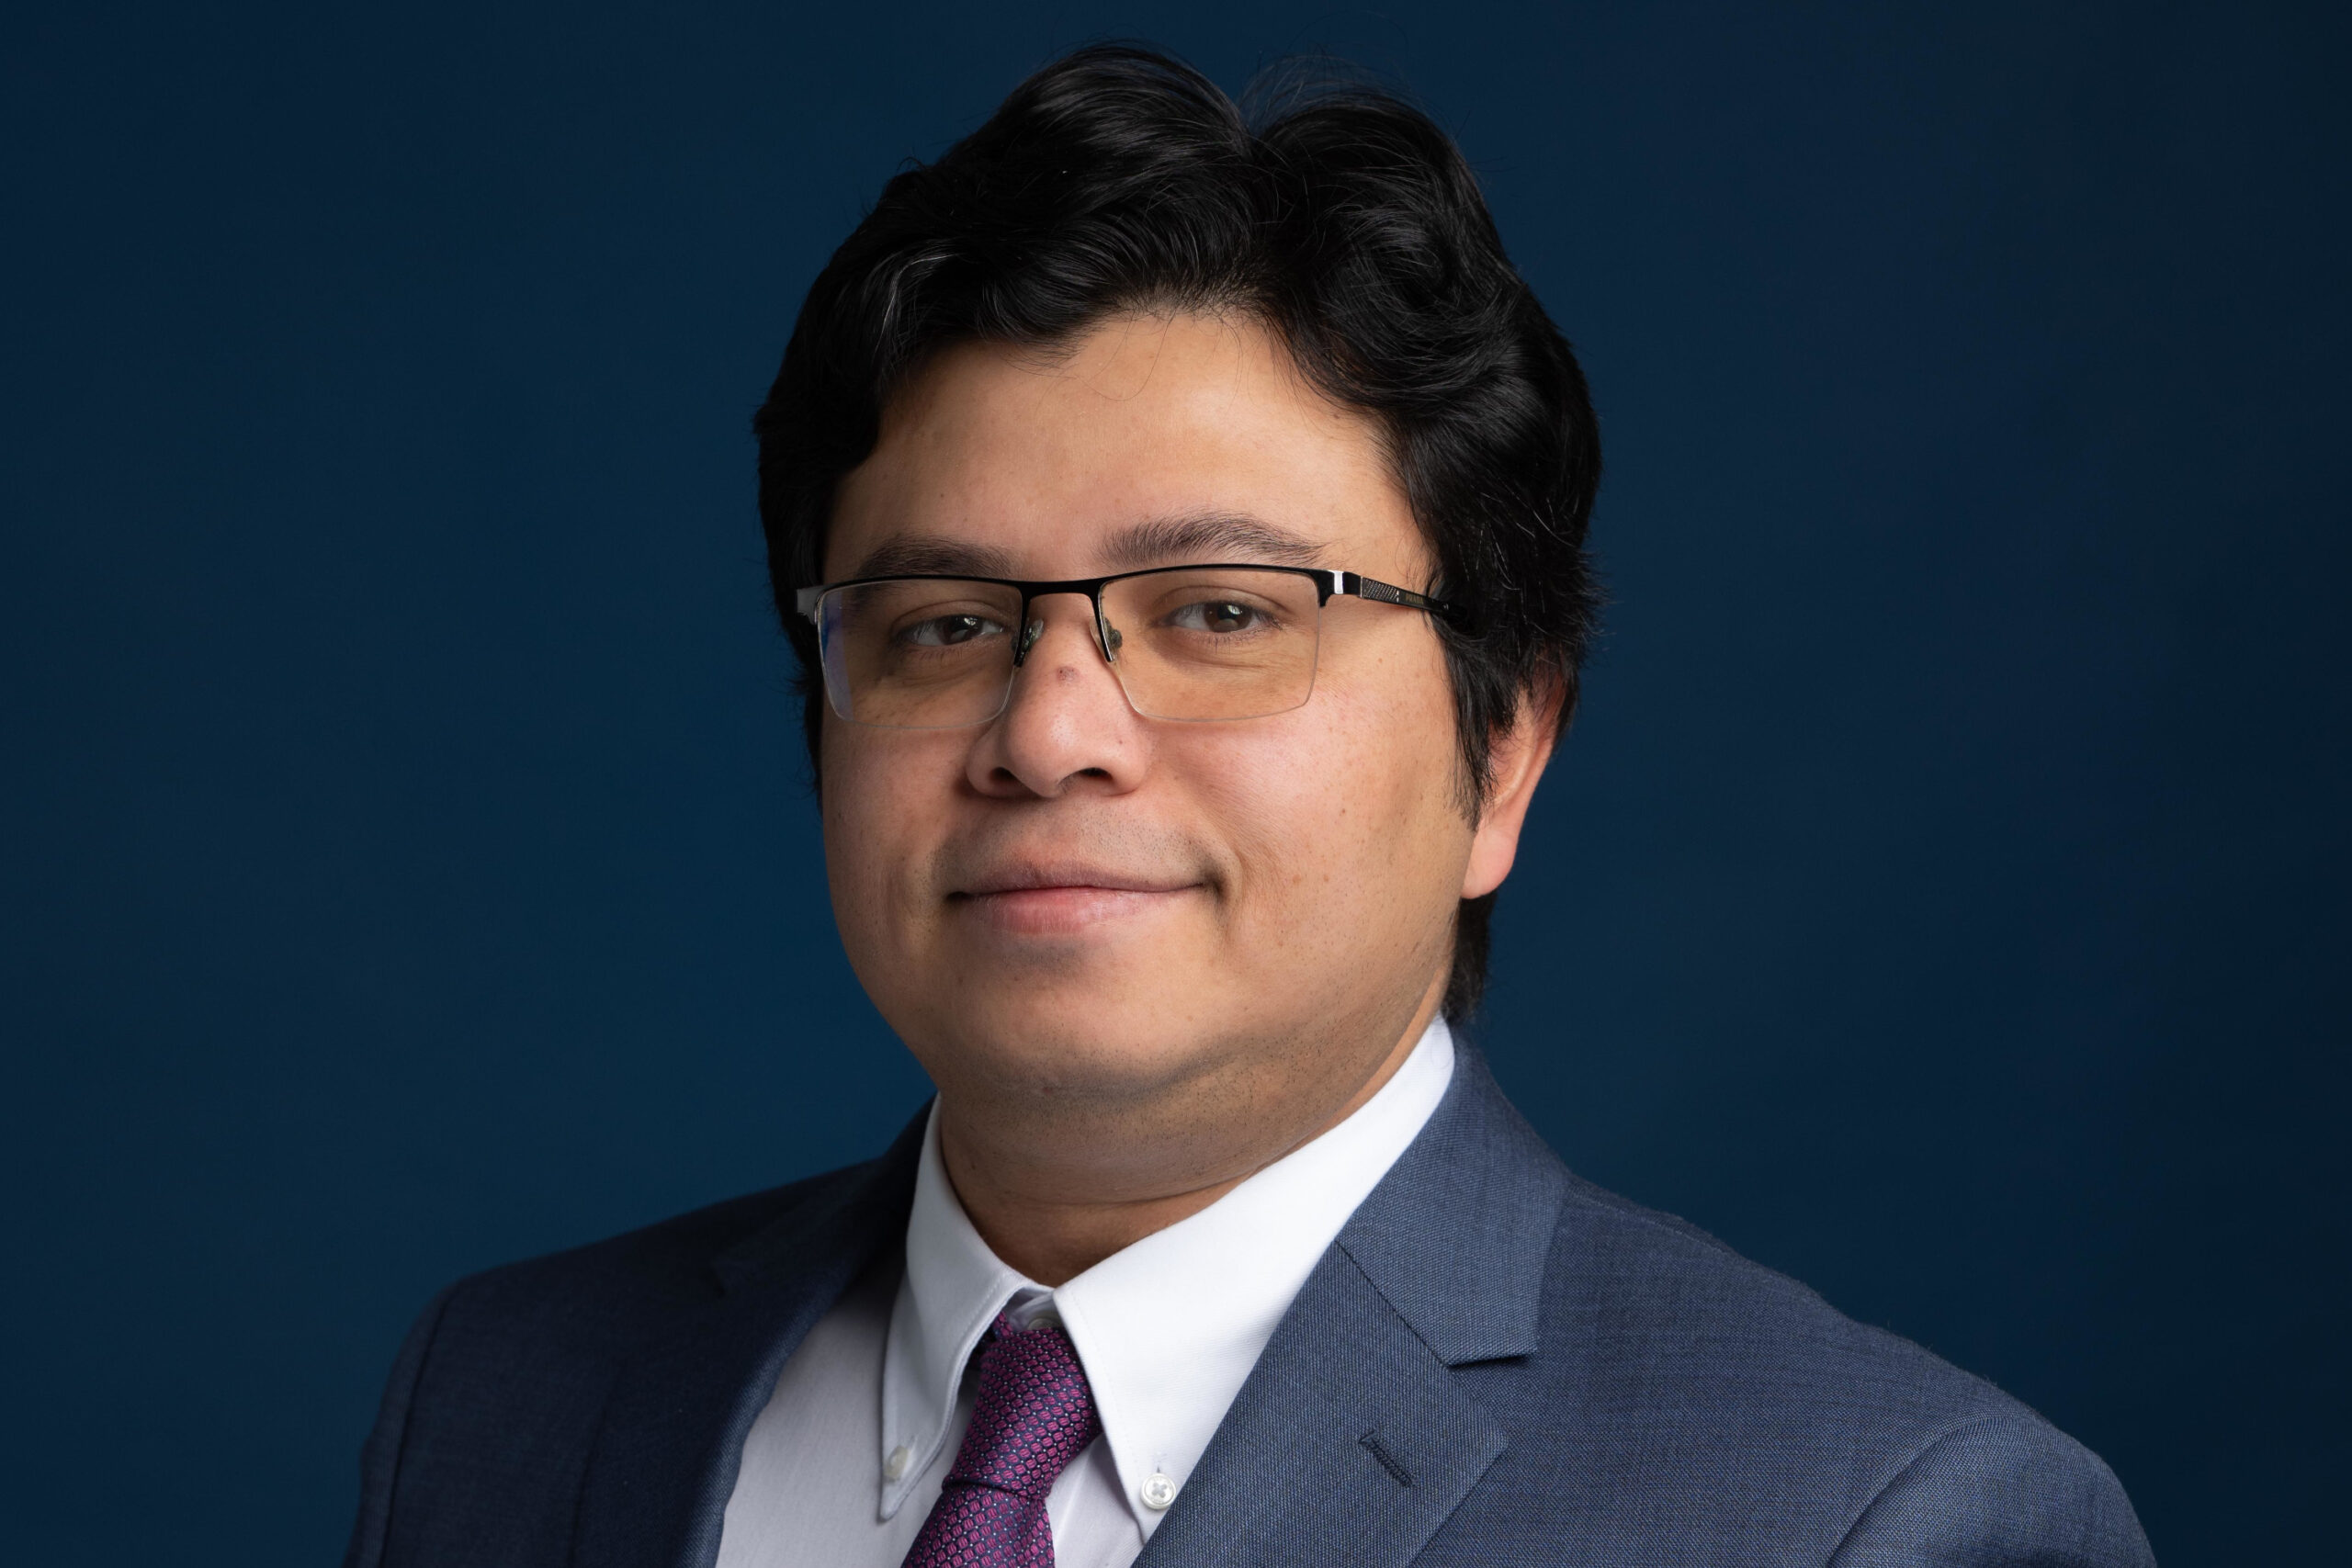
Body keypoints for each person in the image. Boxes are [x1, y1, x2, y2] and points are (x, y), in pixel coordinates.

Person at [342, 44, 2152, 1568]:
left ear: (1505, 746)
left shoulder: (1867, 1517)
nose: (1049, 730)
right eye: (944, 623)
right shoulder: (510, 1400)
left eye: (1219, 613)